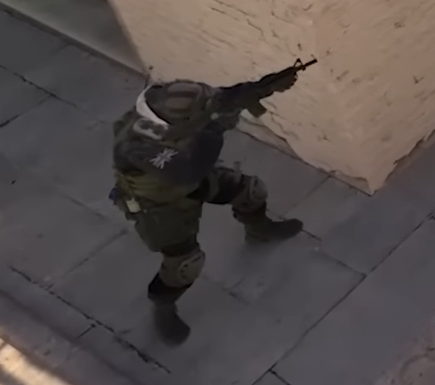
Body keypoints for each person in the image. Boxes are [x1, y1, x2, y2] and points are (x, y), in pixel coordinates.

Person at [110, 62, 312, 344]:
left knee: (251, 191)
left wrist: (260, 89)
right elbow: (188, 170)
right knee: (185, 264)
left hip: (191, 178)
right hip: (159, 204)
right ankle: (163, 305)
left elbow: (223, 99)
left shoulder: (174, 102)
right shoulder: (137, 146)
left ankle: (259, 230)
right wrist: (217, 127)